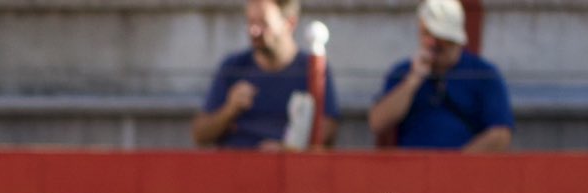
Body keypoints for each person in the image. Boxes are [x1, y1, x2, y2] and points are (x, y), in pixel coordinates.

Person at [367, 0, 512, 152]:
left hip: (464, 162)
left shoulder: (483, 74)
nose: (431, 43)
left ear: (455, 40)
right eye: (426, 34)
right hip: (412, 163)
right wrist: (413, 81)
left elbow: (500, 134)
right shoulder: (403, 71)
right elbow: (377, 123)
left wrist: (456, 162)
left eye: (439, 37)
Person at [193, 0, 340, 150]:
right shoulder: (233, 66)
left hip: (289, 162)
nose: (254, 30)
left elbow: (327, 132)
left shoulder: (313, 69)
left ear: (290, 23)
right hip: (236, 160)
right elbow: (201, 135)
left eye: (263, 23)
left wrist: (284, 150)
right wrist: (229, 109)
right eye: (250, 22)